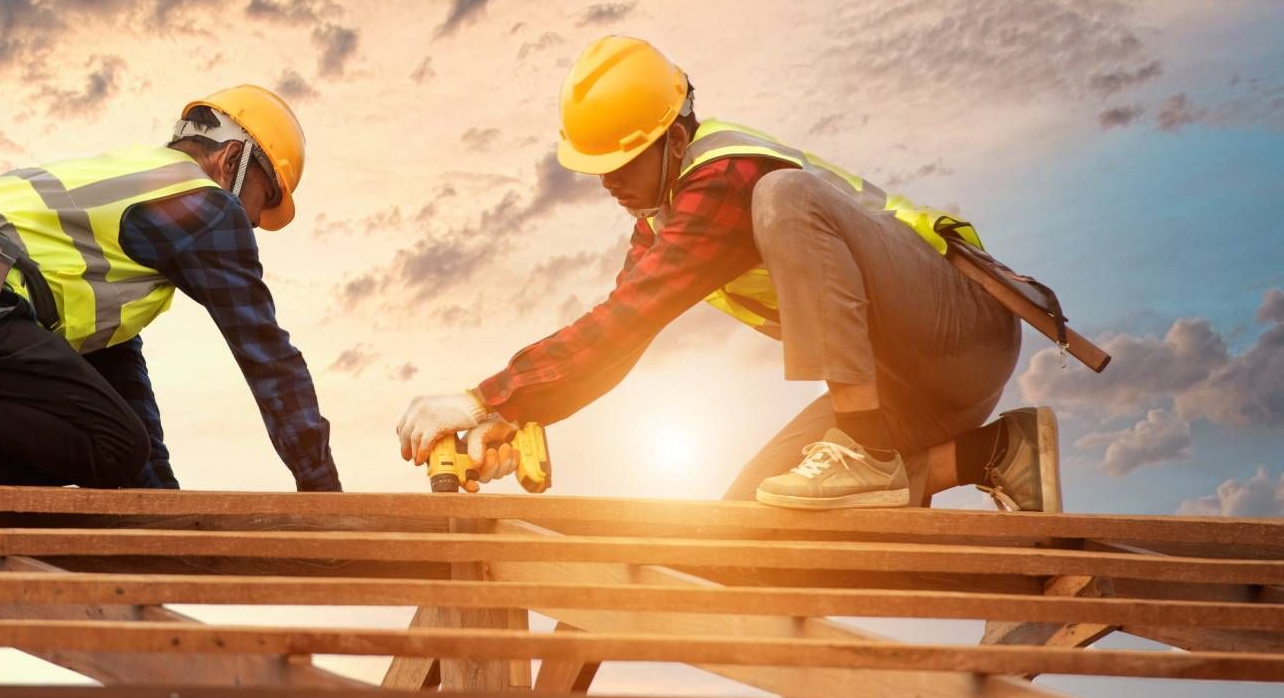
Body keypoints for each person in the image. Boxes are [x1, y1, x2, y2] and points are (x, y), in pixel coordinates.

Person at [396, 35, 1059, 511]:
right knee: (751, 518)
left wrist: (482, 397)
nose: (608, 183)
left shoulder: (727, 175)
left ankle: (866, 452)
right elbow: (619, 335)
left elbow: (628, 317)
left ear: (673, 140)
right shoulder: (662, 222)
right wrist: (513, 414)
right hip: (905, 386)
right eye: (598, 168)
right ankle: (995, 453)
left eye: (622, 163)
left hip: (961, 329)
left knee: (785, 196)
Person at [0, 85, 340, 491]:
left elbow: (128, 415)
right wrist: (323, 493)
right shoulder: (204, 205)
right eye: (262, 200)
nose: (254, 223)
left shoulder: (112, 232)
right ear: (231, 160)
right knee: (115, 445)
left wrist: (164, 515)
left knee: (111, 445)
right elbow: (269, 359)